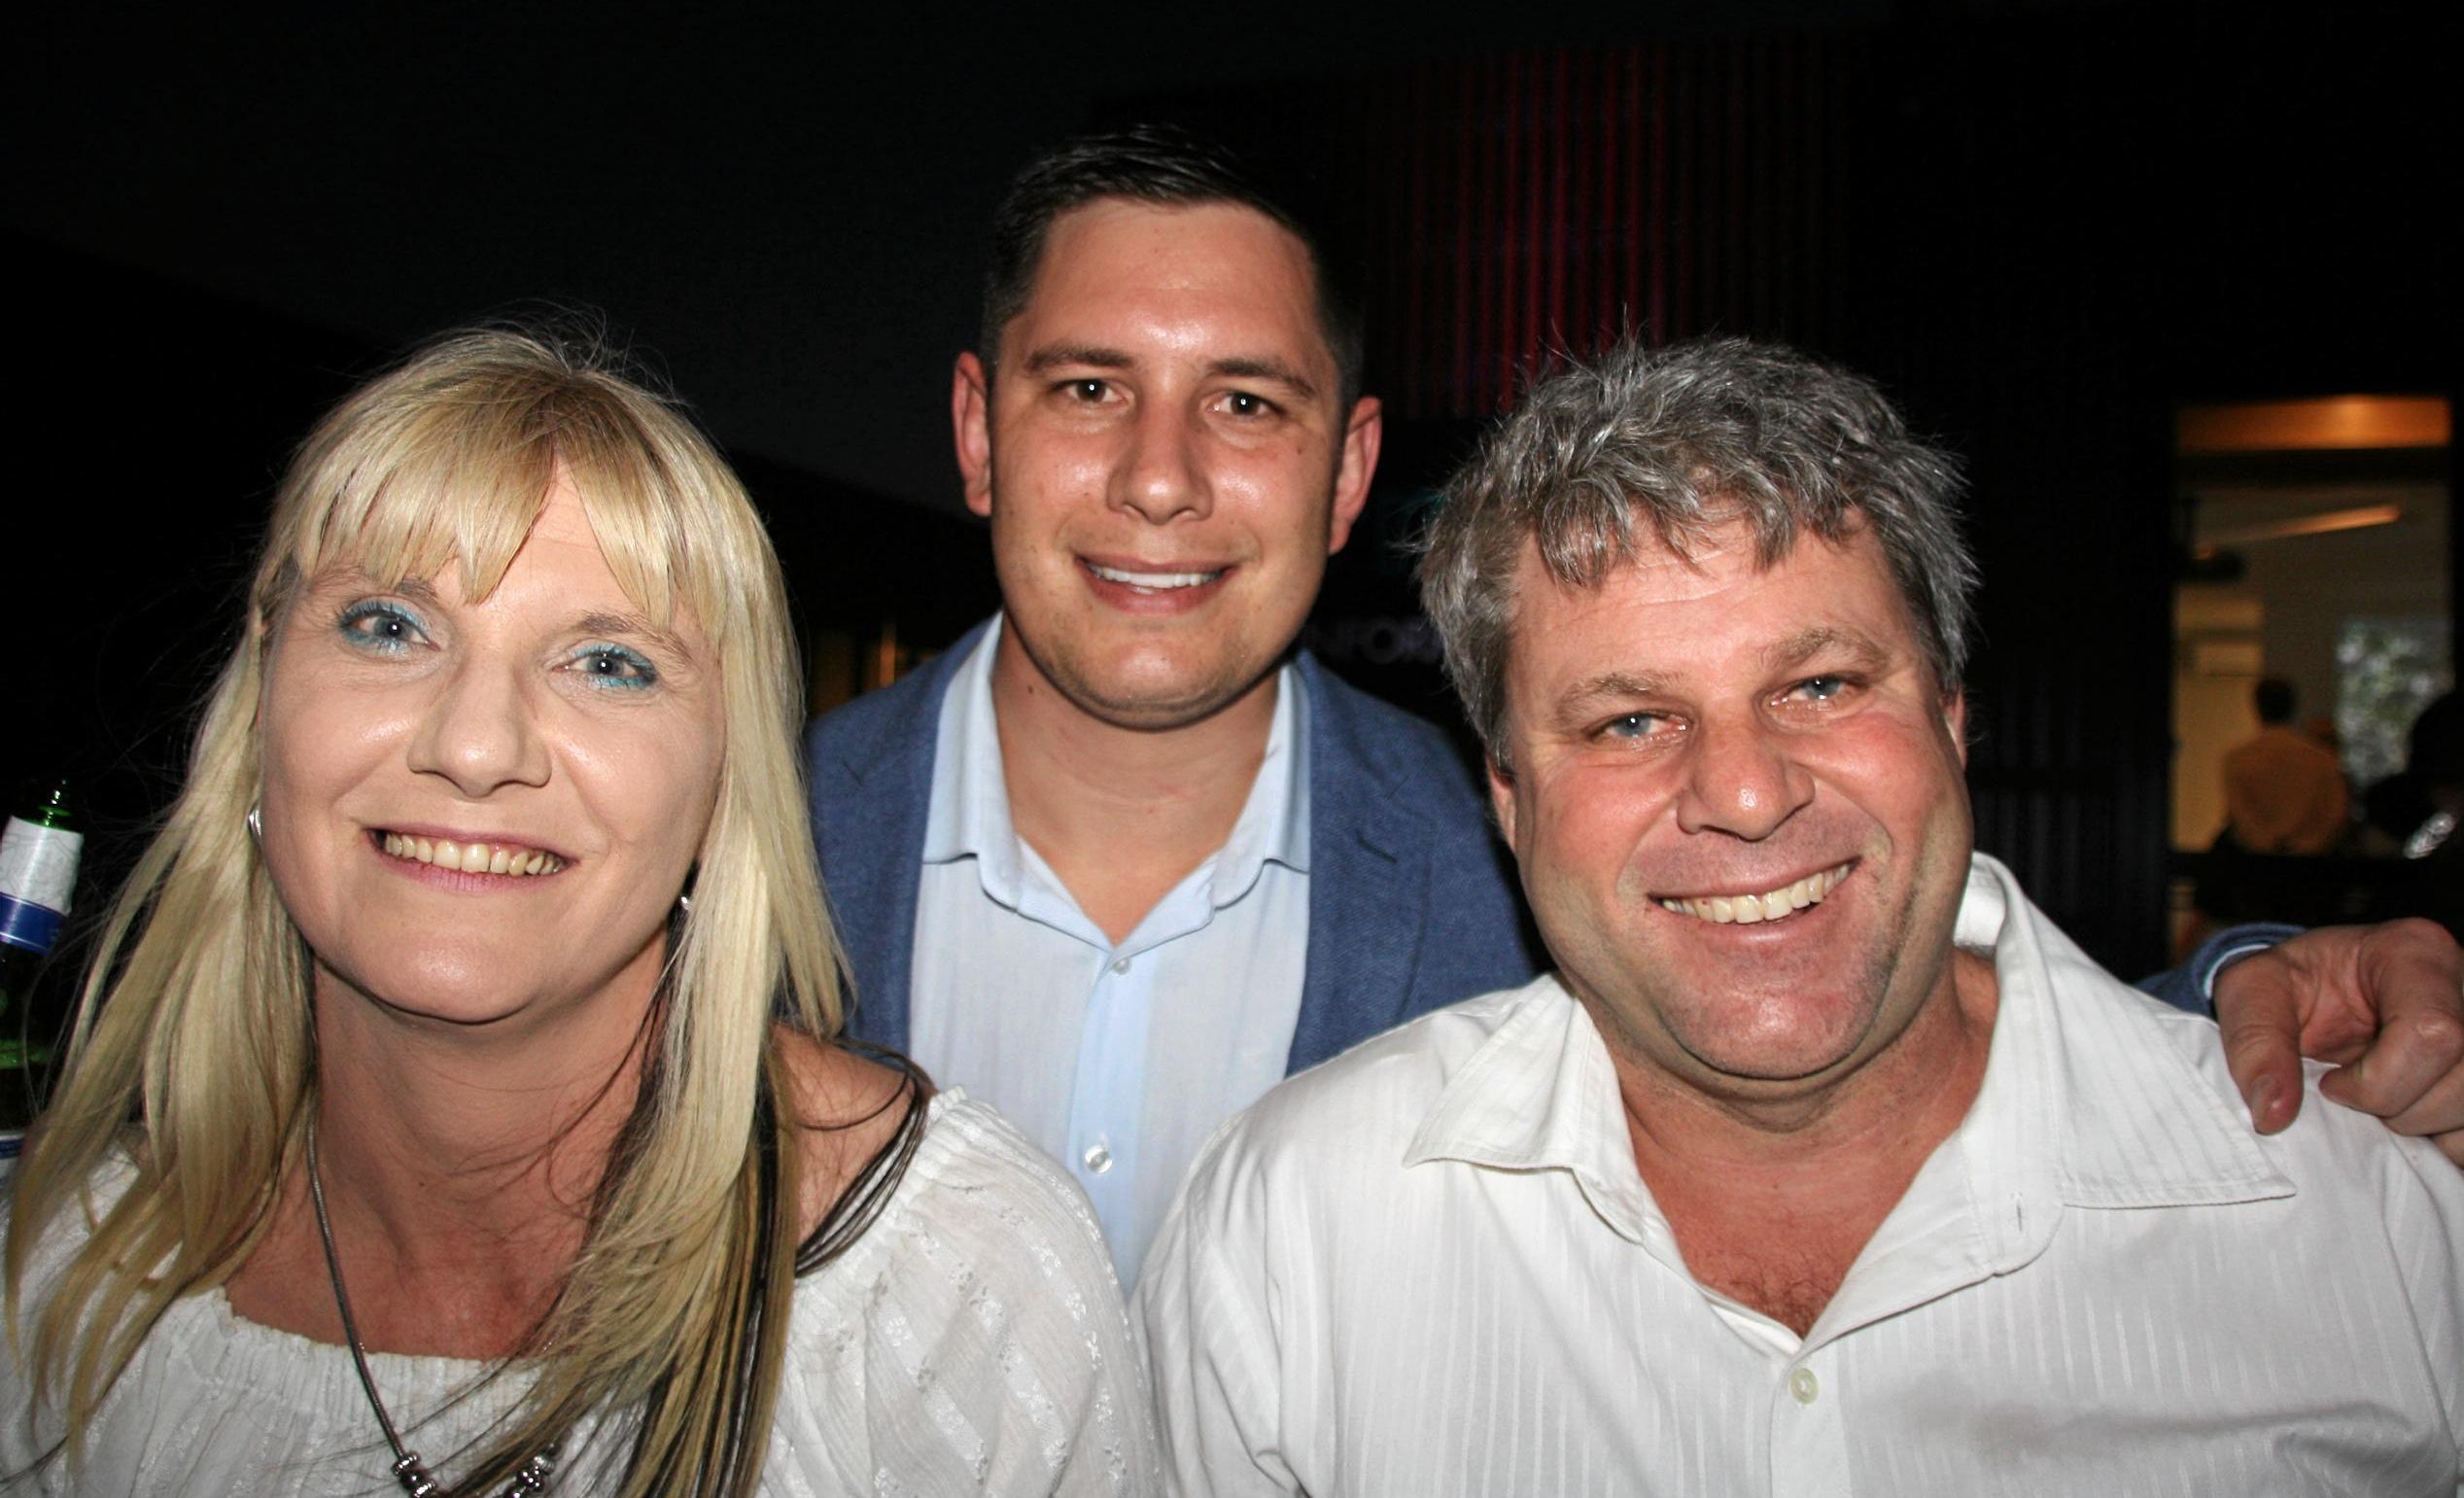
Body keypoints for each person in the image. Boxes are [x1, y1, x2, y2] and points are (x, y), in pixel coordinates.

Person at [809, 125, 2464, 1284]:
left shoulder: (1531, 841)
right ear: (976, 432)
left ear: (1349, 471)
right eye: (1089, 388)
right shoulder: (729, 852)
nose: (1160, 478)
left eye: (1245, 401)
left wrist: (2281, 1004)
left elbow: (1880, 1026)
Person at [1139, 337, 2463, 1494]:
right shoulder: (1290, 1238)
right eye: (1631, 719)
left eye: (1820, 684)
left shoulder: (2380, 1215)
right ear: (1507, 794)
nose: (1743, 791)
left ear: (1948, 717)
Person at [1, 327, 1159, 1495]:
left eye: (608, 663)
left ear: (723, 777)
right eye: (389, 627)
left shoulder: (947, 1295)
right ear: (261, 704)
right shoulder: (65, 1269)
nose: (473, 744)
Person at [2224, 676, 2350, 854]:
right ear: (2293, 707)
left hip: (2256, 864)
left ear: (2257, 706)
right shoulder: (2320, 759)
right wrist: (2306, 845)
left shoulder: (2237, 759)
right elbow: (2335, 813)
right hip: (2309, 864)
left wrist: (2265, 843)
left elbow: (2242, 816)